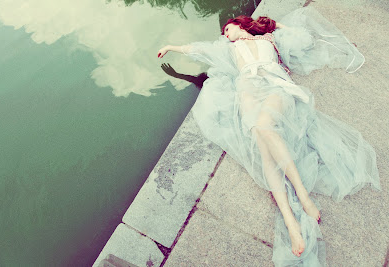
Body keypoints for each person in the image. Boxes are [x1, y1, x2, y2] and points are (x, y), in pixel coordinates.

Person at [157, 6, 380, 266]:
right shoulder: (227, 49)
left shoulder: (269, 38)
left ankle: (302, 195)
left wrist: (274, 25)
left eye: (227, 29)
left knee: (264, 126)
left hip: (276, 84)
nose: (225, 34)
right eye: (224, 33)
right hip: (248, 90)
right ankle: (289, 220)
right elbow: (198, 49)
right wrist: (171, 46)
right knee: (263, 147)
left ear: (240, 24)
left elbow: (303, 37)